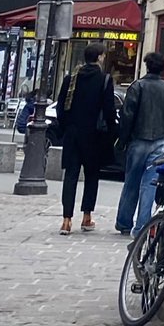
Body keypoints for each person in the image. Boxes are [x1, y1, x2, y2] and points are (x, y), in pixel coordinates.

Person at [114, 52, 164, 238]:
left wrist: (123, 139)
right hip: (159, 139)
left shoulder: (138, 86)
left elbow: (127, 116)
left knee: (131, 182)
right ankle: (142, 225)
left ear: (147, 66)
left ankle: (124, 222)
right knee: (149, 184)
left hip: (138, 138)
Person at [55, 43, 116, 235]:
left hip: (73, 134)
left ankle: (66, 220)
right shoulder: (104, 79)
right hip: (94, 135)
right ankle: (87, 216)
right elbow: (109, 110)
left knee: (71, 176)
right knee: (92, 176)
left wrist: (66, 128)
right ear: (99, 57)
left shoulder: (71, 78)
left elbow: (60, 106)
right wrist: (113, 132)